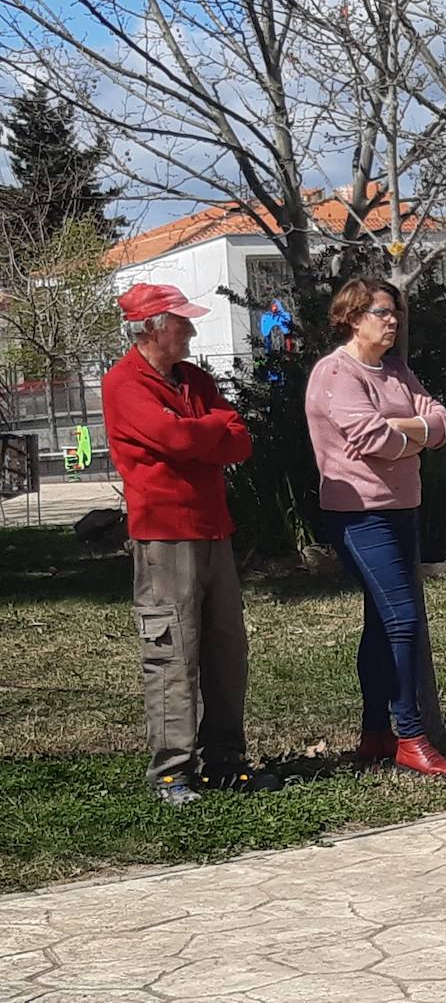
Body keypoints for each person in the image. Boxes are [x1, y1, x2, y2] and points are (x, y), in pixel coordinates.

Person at [103, 282, 275, 806]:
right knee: (172, 651)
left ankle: (224, 760)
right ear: (152, 328)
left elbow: (239, 442)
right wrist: (210, 429)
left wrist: (201, 430)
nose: (192, 331)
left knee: (226, 648)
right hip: (164, 534)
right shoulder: (123, 383)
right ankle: (171, 771)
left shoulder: (194, 379)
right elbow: (175, 439)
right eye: (182, 323)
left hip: (213, 528)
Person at [304, 277, 446, 775]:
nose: (392, 321)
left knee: (380, 622)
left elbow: (441, 423)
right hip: (359, 514)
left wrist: (405, 431)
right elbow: (375, 440)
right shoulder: (336, 373)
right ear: (352, 318)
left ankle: (374, 733)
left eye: (395, 313)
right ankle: (410, 735)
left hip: (402, 508)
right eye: (381, 312)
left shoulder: (396, 371)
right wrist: (411, 436)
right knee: (403, 619)